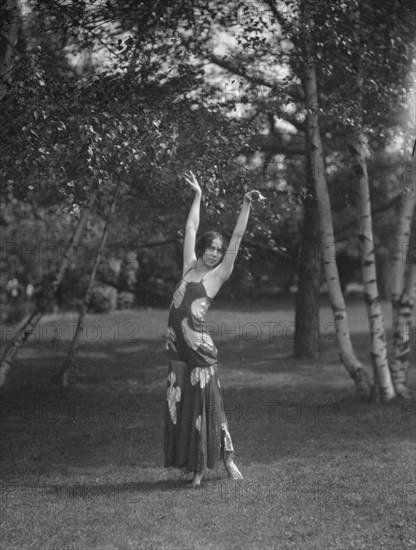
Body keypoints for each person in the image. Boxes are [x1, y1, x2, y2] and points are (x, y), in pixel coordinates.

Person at [164, 170, 265, 487]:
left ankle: (223, 461)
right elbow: (191, 227)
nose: (215, 252)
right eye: (211, 247)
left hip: (200, 349)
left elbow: (236, 239)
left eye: (219, 251)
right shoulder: (189, 268)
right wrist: (198, 196)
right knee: (180, 405)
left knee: (208, 405)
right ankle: (189, 463)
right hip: (175, 347)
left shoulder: (218, 276)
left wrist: (246, 204)